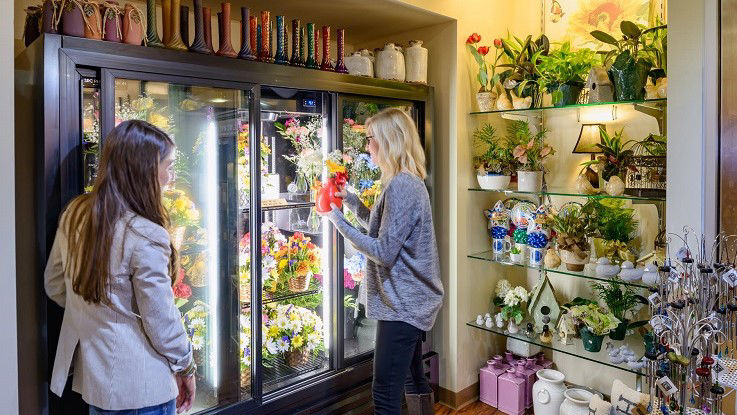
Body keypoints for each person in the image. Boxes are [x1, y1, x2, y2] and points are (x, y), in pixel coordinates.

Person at [44, 120, 196, 415]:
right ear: (146, 171)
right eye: (168, 166)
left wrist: (98, 316)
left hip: (96, 383)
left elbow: (54, 284)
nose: (171, 177)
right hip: (143, 387)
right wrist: (186, 365)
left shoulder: (75, 214)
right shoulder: (146, 234)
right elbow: (161, 321)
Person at [322, 108, 444, 415]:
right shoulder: (403, 182)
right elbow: (383, 231)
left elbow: (384, 250)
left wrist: (334, 218)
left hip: (403, 306)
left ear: (389, 140)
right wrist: (348, 200)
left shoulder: (402, 185)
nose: (367, 147)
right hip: (412, 302)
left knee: (385, 395)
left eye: (370, 139)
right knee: (414, 380)